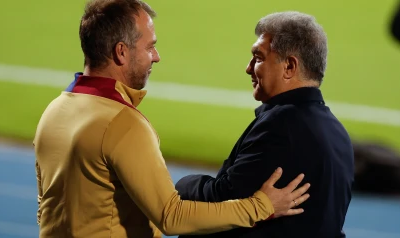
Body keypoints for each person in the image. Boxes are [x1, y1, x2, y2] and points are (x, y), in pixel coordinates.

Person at [33, 1, 311, 237]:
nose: (156, 57)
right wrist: (261, 206)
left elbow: (46, 206)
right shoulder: (122, 123)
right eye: (150, 47)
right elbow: (171, 216)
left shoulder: (53, 112)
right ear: (121, 52)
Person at [175, 11, 355, 238]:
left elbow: (221, 200)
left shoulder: (281, 126)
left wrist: (183, 184)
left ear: (289, 66)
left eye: (258, 58)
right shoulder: (337, 131)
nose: (248, 68)